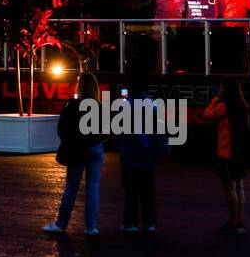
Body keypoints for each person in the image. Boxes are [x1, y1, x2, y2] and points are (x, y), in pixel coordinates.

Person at [44, 71, 105, 235]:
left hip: (76, 149)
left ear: (80, 87)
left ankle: (61, 224)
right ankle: (91, 227)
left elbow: (62, 129)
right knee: (93, 187)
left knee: (71, 187)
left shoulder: (71, 105)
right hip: (95, 148)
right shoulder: (99, 107)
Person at [200, 76, 249, 235]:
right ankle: (239, 221)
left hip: (226, 151)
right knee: (240, 187)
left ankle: (233, 221)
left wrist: (215, 99)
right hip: (240, 150)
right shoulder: (243, 106)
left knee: (230, 188)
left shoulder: (224, 105)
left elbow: (207, 115)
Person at [120, 80, 168, 233]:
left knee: (131, 190)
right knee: (147, 188)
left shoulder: (124, 105)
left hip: (129, 151)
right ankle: (149, 222)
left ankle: (131, 222)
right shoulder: (152, 104)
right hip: (147, 151)